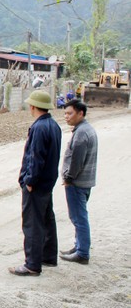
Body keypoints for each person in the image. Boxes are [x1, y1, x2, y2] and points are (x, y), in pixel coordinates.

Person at [9, 90, 62, 276]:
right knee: (47, 219)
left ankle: (32, 264)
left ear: (33, 106)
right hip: (48, 183)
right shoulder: (54, 125)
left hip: (37, 184)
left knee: (32, 223)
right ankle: (48, 256)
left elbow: (36, 157)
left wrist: (30, 180)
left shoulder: (39, 128)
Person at [60, 99, 98, 265]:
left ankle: (82, 253)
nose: (66, 117)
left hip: (77, 183)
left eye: (70, 113)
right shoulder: (86, 129)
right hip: (85, 182)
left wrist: (68, 178)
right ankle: (78, 246)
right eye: (65, 114)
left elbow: (76, 161)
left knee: (78, 217)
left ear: (80, 113)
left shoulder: (82, 133)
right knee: (79, 216)